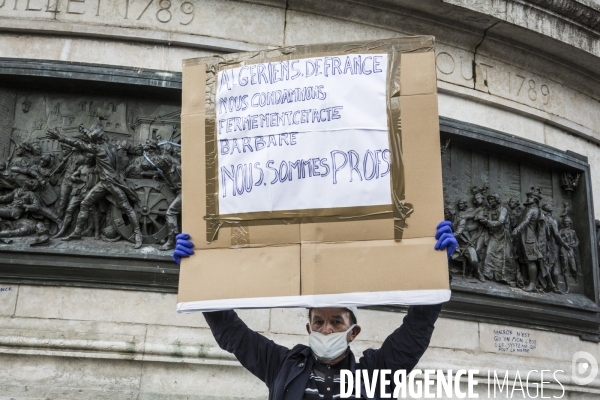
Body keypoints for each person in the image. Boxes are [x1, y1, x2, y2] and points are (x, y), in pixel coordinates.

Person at [172, 221, 457, 399]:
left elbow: (416, 329)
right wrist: (198, 275)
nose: (326, 329)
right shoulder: (281, 365)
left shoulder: (376, 373)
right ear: (308, 328)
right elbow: (233, 334)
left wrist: (436, 268)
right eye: (318, 321)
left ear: (353, 331)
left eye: (336, 321)